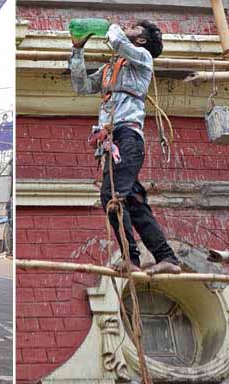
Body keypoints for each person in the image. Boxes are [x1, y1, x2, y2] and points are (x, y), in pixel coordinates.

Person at [72, 21, 179, 275]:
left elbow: (118, 41)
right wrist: (77, 50)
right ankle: (168, 258)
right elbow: (82, 86)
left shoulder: (142, 58)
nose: (128, 28)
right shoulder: (112, 67)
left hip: (128, 137)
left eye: (134, 28)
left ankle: (131, 259)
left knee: (112, 197)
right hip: (112, 140)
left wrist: (112, 26)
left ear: (141, 40)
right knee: (134, 203)